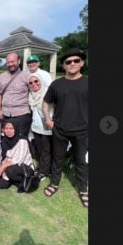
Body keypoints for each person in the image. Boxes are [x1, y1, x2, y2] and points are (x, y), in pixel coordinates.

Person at [42, 49, 88, 208]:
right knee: (57, 159)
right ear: (64, 65)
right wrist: (48, 119)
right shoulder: (56, 85)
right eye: (68, 62)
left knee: (80, 161)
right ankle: (54, 183)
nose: (72, 64)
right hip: (60, 129)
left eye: (76, 61)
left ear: (82, 63)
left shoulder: (88, 82)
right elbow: (46, 102)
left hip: (82, 130)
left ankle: (83, 189)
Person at [0, 52, 31, 137]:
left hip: (22, 114)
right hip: (6, 114)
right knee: (7, 138)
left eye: (13, 61)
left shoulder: (27, 76)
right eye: (8, 62)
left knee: (21, 139)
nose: (10, 64)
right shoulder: (2, 76)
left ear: (19, 61)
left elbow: (33, 92)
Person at [0, 122, 36, 191]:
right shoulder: (4, 140)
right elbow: (4, 156)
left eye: (11, 128)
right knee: (1, 184)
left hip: (24, 166)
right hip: (11, 165)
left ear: (16, 129)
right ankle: (16, 180)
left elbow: (19, 159)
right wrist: (3, 164)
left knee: (9, 171)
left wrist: (4, 166)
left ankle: (27, 179)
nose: (8, 131)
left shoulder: (22, 140)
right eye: (6, 128)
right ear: (3, 130)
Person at [28, 72, 52, 179]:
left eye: (36, 81)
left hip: (46, 126)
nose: (34, 84)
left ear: (40, 81)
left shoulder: (47, 92)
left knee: (46, 150)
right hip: (36, 127)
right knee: (39, 149)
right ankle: (43, 168)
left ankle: (44, 172)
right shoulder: (31, 95)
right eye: (31, 83)